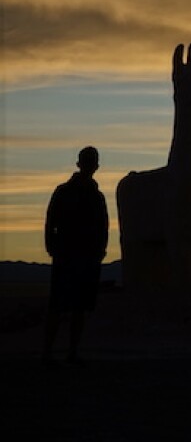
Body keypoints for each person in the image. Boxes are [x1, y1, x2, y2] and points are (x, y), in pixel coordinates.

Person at [43, 146, 109, 364]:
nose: (91, 166)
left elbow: (103, 227)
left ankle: (70, 351)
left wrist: (99, 251)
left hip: (83, 256)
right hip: (69, 255)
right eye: (89, 161)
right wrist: (52, 247)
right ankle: (51, 351)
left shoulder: (94, 195)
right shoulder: (66, 192)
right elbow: (51, 222)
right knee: (60, 307)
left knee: (78, 307)